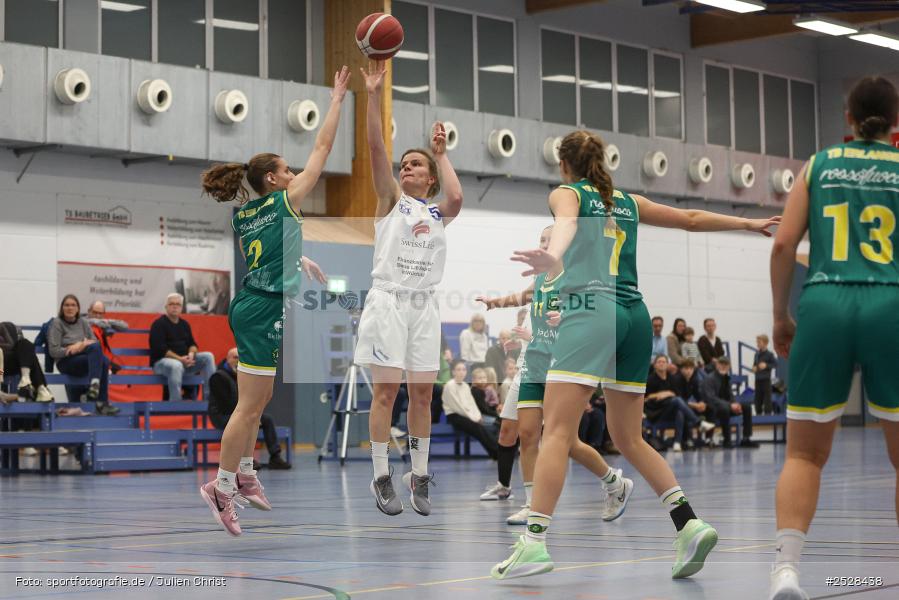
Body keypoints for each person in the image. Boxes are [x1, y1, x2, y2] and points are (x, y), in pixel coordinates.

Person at [493, 129, 778, 580]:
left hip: (591, 309)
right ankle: (688, 523)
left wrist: (554, 257)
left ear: (564, 165)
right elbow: (688, 218)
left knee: (557, 431)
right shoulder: (628, 201)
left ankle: (533, 543)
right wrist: (746, 223)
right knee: (629, 437)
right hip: (635, 315)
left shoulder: (566, 193)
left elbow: (565, 224)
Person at [197, 65, 350, 536]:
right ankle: (221, 487)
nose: (295, 173)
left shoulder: (245, 213)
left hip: (253, 301)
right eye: (287, 169)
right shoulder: (286, 201)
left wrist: (299, 261)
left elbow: (265, 252)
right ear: (273, 178)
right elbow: (323, 149)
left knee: (258, 399)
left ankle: (244, 471)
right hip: (261, 307)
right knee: (249, 406)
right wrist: (338, 100)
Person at [768, 77, 899, 600]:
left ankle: (786, 570)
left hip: (824, 301)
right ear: (894, 122)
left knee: (803, 455)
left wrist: (780, 315)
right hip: (891, 299)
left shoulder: (819, 164)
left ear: (847, 117)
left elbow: (782, 246)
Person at [355, 60, 463, 518]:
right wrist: (374, 94)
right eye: (405, 165)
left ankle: (418, 472)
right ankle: (381, 474)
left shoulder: (438, 212)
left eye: (414, 164)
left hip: (424, 308)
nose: (406, 168)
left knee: (422, 395)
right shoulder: (390, 201)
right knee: (386, 394)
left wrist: (439, 151)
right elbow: (377, 148)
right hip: (388, 303)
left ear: (430, 177)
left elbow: (456, 198)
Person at [477, 225, 634, 526]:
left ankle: (614, 481)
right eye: (541, 239)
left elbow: (595, 309)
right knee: (527, 434)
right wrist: (496, 303)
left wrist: (568, 315)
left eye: (549, 240)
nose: (544, 244)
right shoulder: (539, 278)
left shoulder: (577, 276)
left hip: (562, 363)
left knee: (566, 441)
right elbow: (524, 296)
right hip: (534, 362)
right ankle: (530, 502)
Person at [208, 348, 290, 470]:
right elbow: (225, 404)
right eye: (235, 358)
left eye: (240, 358)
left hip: (240, 412)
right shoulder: (218, 377)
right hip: (221, 416)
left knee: (266, 419)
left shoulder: (243, 376)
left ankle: (275, 457)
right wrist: (247, 413)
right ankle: (245, 460)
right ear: (228, 359)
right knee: (245, 422)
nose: (238, 361)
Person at [47, 295, 119, 415]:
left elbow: (94, 343)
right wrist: (72, 349)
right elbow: (53, 351)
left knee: (104, 360)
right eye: (67, 305)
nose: (70, 308)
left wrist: (79, 345)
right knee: (102, 359)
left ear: (78, 309)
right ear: (62, 308)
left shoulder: (83, 322)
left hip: (83, 359)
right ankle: (100, 400)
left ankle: (97, 393)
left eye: (73, 305)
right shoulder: (57, 323)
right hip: (66, 361)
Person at [149, 293, 216, 401]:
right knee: (176, 365)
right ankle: (175, 403)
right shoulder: (158, 324)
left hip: (184, 363)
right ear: (166, 307)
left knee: (208, 356)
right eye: (171, 304)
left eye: (178, 304)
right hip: (161, 364)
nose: (175, 306)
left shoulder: (184, 324)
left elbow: (193, 345)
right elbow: (160, 349)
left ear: (181, 308)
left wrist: (190, 354)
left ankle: (209, 400)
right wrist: (180, 359)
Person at [645, 355, 712, 452]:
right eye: (659, 362)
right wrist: (660, 394)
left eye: (664, 362)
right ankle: (698, 423)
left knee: (679, 410)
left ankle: (677, 443)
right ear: (654, 365)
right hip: (655, 412)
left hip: (668, 409)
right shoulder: (650, 379)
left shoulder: (671, 378)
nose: (661, 364)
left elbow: (676, 394)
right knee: (676, 401)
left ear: (668, 364)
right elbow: (645, 398)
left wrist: (668, 393)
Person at [441, 361, 498, 459]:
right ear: (453, 372)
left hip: (468, 415)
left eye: (463, 369)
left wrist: (478, 416)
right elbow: (458, 406)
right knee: (477, 428)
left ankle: (495, 453)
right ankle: (497, 451)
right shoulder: (449, 386)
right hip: (455, 415)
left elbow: (471, 404)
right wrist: (473, 418)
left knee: (483, 427)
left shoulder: (465, 386)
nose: (461, 372)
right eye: (458, 370)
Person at [700, 356, 758, 449]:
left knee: (747, 407)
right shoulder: (709, 379)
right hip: (713, 409)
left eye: (726, 365)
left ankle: (746, 439)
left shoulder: (726, 378)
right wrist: (730, 405)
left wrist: (736, 404)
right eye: (721, 364)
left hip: (726, 406)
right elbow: (710, 398)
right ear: (717, 365)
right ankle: (727, 440)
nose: (723, 366)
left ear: (729, 367)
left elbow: (730, 395)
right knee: (724, 409)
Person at [0, 321, 53, 402]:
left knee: (25, 344)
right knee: (30, 357)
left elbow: (11, 344)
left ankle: (26, 379)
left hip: (7, 360)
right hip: (2, 368)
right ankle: (40, 388)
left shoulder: (2, 327)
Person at [86, 301, 128, 374]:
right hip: (88, 360)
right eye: (95, 312)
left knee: (123, 374)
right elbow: (84, 321)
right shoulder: (82, 322)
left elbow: (124, 326)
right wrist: (100, 322)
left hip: (104, 359)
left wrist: (106, 321)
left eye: (100, 313)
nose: (98, 316)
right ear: (89, 311)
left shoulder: (104, 323)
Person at [753, 334, 776, 415]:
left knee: (767, 400)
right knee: (757, 399)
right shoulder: (756, 354)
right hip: (757, 379)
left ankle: (768, 416)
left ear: (765, 343)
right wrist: (754, 368)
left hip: (766, 380)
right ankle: (758, 415)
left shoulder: (770, 354)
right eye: (757, 342)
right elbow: (754, 365)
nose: (757, 343)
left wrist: (766, 365)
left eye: (759, 342)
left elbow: (775, 364)